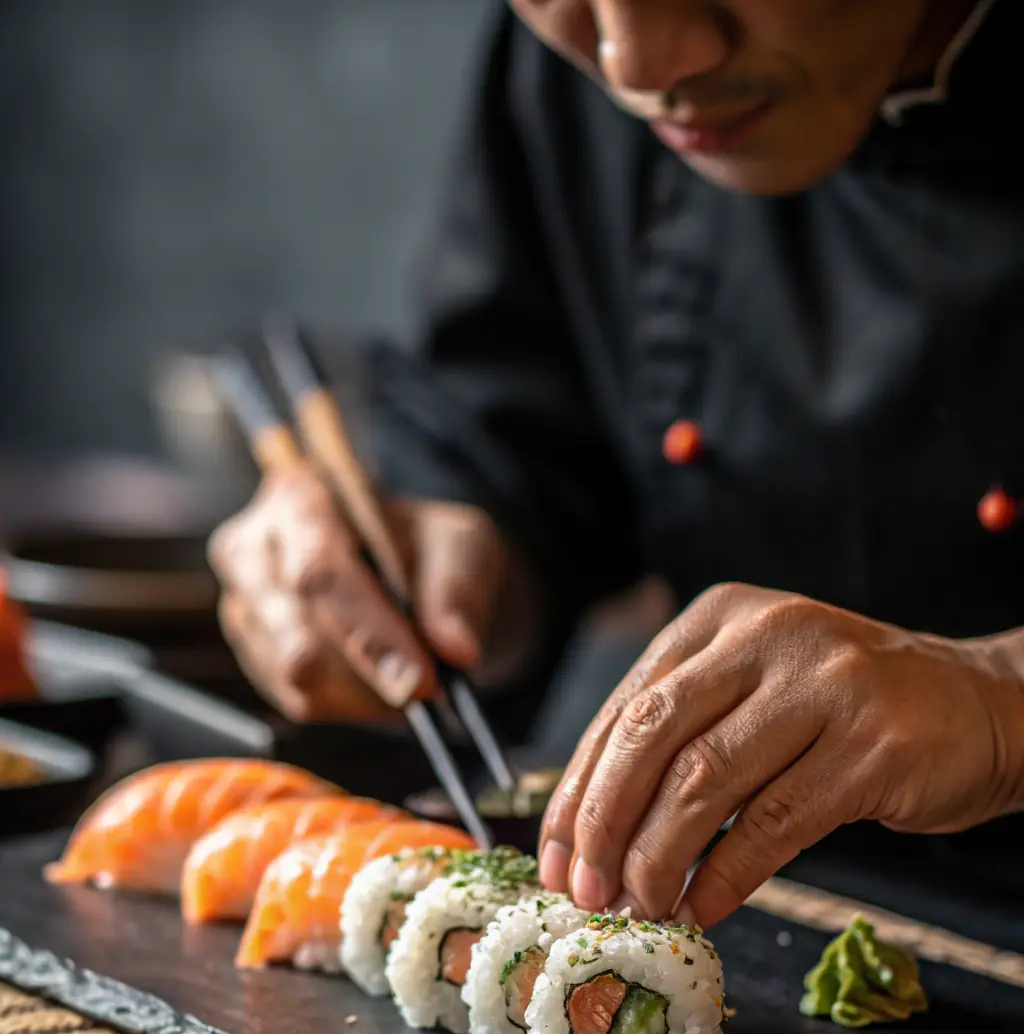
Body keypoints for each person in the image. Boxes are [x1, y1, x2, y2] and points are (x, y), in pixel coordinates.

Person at [210, 0, 1024, 932]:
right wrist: (435, 563)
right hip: (716, 910)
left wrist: (1001, 711)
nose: (637, 61)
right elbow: (516, 433)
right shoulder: (583, 50)